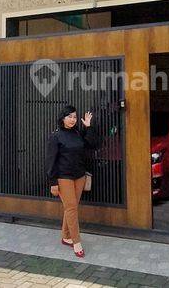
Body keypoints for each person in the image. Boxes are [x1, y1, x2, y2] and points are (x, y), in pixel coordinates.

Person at [45, 105, 99, 258]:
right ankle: (76, 242)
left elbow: (92, 144)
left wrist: (88, 127)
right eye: (70, 116)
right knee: (72, 209)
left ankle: (65, 236)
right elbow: (50, 161)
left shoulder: (77, 133)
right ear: (63, 118)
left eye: (75, 117)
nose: (73, 119)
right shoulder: (55, 136)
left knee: (71, 208)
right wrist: (53, 182)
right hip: (64, 177)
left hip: (79, 176)